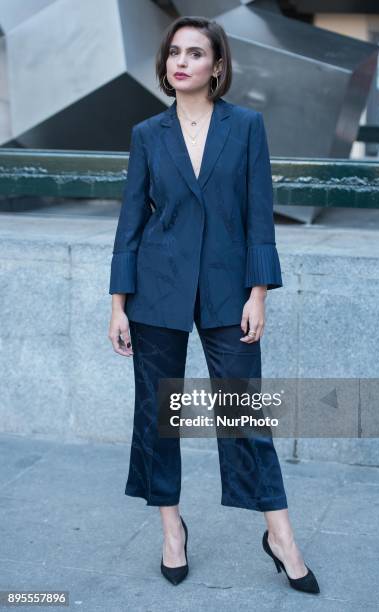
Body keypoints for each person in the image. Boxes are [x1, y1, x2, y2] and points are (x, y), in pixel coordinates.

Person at [108, 16, 320, 595]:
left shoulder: (247, 126)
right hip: (156, 291)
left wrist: (259, 294)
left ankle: (281, 536)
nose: (181, 61)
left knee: (242, 413)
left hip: (229, 290)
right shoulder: (147, 133)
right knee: (159, 418)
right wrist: (117, 304)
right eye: (174, 52)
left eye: (195, 53)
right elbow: (130, 222)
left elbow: (259, 215)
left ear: (217, 66)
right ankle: (172, 529)